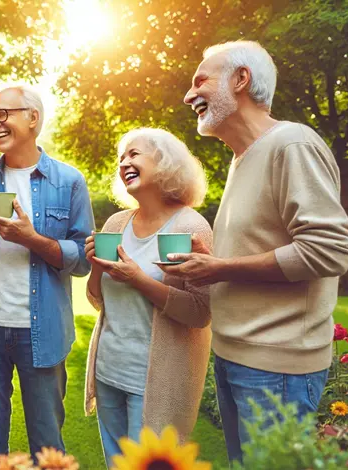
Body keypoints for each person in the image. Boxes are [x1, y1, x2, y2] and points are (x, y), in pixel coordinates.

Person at [166, 40, 348, 462]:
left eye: (201, 80)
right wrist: (210, 257)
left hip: (277, 368)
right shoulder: (242, 158)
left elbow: (329, 251)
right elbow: (264, 243)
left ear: (240, 79)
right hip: (234, 355)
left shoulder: (292, 144)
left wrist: (221, 267)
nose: (188, 94)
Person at [0, 83, 94, 469]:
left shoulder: (69, 182)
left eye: (3, 114)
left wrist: (33, 239)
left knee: (48, 446)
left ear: (33, 118)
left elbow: (83, 260)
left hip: (43, 332)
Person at [83, 128, 213, 467]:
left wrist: (139, 280)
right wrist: (97, 265)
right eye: (121, 158)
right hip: (109, 369)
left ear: (165, 162)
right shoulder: (116, 222)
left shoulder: (191, 228)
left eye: (134, 154)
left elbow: (200, 313)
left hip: (155, 380)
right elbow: (98, 300)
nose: (124, 162)